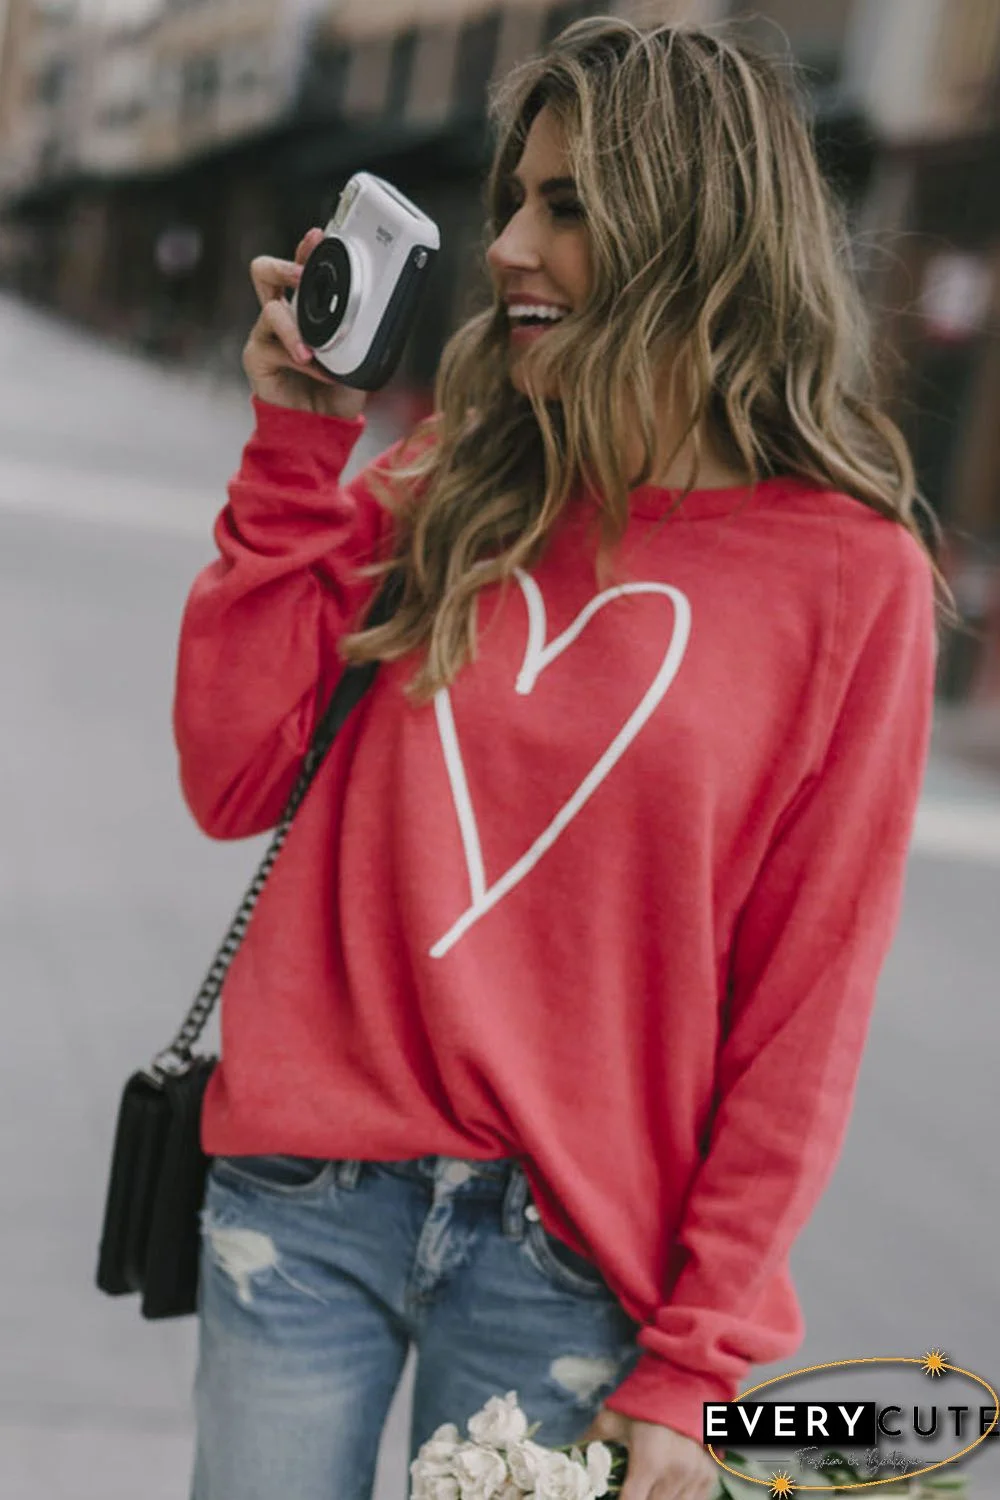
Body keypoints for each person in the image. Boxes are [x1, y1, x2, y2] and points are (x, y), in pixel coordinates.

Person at [173, 17, 948, 1500]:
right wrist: (294, 453)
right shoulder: (443, 484)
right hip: (306, 1199)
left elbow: (806, 1006)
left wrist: (700, 1362)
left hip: (572, 1262)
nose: (513, 245)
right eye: (517, 200)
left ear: (699, 234)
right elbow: (230, 776)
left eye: (571, 205)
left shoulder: (852, 583)